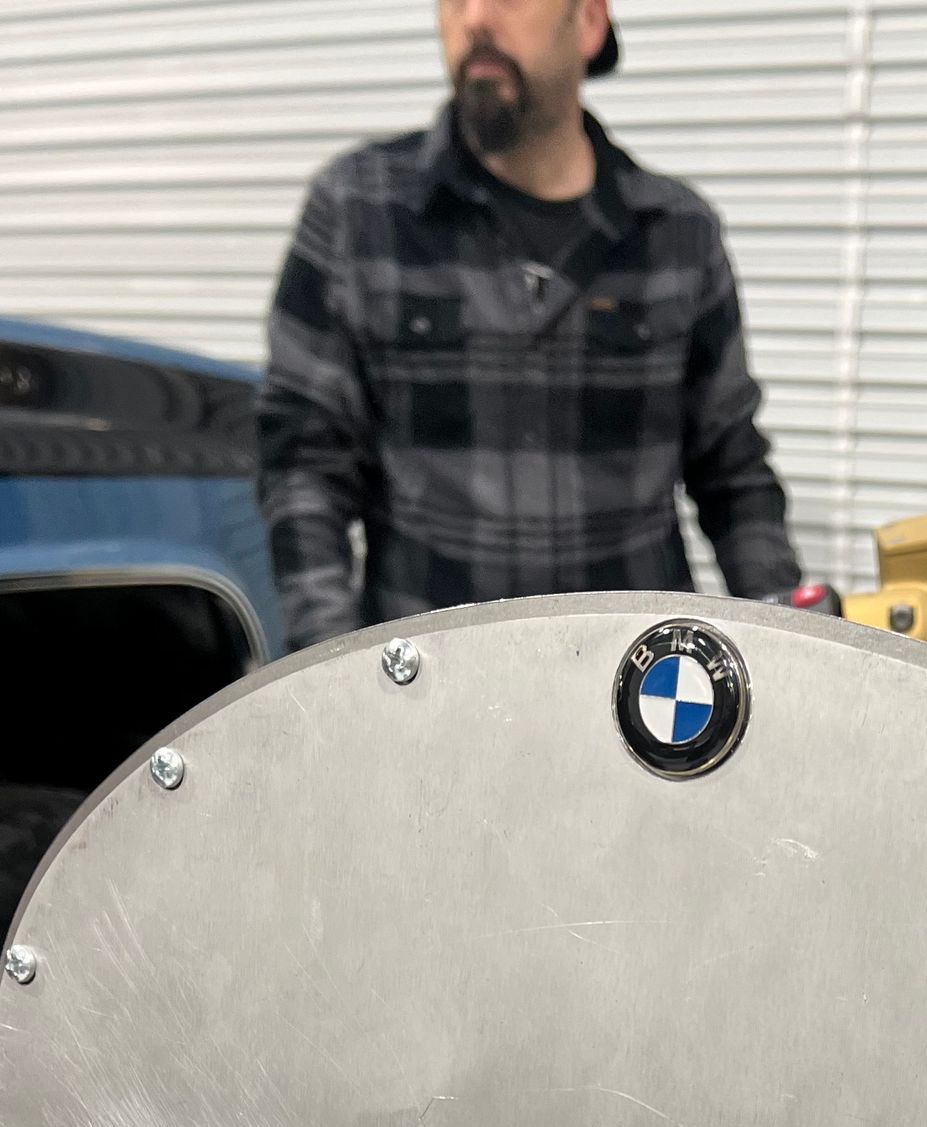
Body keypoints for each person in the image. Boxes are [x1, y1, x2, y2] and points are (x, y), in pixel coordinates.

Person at [255, 0, 799, 651]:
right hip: (427, 693)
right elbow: (302, 467)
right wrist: (333, 677)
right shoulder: (358, 213)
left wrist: (786, 652)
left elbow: (732, 471)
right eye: (453, 1)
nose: (476, 18)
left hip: (634, 697)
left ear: (589, 23)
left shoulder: (676, 234)